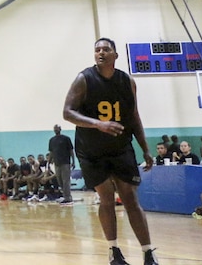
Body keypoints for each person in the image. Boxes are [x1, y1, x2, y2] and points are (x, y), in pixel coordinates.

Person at [63, 37, 158, 265]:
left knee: (130, 198)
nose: (101, 53)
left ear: (115, 55)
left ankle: (148, 253)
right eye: (97, 50)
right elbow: (67, 112)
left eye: (106, 49)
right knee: (106, 198)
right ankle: (114, 251)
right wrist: (98, 124)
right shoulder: (84, 79)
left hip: (120, 147)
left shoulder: (127, 82)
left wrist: (145, 148)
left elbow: (134, 116)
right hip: (92, 150)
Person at [48, 124, 75, 205]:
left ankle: (68, 198)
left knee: (66, 180)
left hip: (66, 163)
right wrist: (49, 163)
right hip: (57, 163)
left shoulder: (66, 138)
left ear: (60, 129)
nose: (56, 129)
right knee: (59, 180)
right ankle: (66, 196)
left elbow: (71, 151)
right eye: (54, 128)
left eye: (57, 128)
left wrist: (73, 162)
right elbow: (51, 152)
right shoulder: (52, 140)